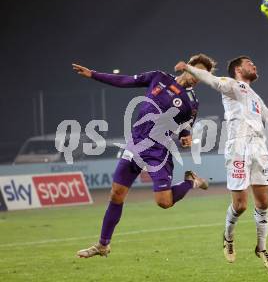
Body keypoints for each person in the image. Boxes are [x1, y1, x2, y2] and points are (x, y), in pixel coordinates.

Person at [72, 53, 216, 258]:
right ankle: (103, 245)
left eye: (202, 75)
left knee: (164, 202)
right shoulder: (159, 77)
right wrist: (94, 75)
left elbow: (186, 129)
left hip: (159, 151)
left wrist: (186, 137)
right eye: (196, 71)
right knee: (116, 194)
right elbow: (126, 80)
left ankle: (191, 181)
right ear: (188, 66)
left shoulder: (191, 103)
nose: (196, 77)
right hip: (136, 144)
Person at [175, 56, 268, 270]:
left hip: (259, 148)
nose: (254, 65)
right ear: (238, 69)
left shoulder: (255, 97)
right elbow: (210, 80)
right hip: (238, 147)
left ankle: (261, 247)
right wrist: (189, 68)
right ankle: (228, 238)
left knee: (264, 203)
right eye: (249, 63)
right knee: (240, 206)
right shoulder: (231, 85)